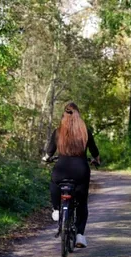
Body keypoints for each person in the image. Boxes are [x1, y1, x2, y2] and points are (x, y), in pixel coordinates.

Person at [43, 102, 100, 248]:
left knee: (54, 183)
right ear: (78, 115)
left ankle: (56, 209)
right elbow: (94, 151)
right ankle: (80, 235)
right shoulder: (85, 131)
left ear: (64, 115)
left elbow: (49, 152)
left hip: (61, 170)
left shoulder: (58, 132)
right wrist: (96, 160)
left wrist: (46, 158)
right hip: (80, 170)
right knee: (82, 202)